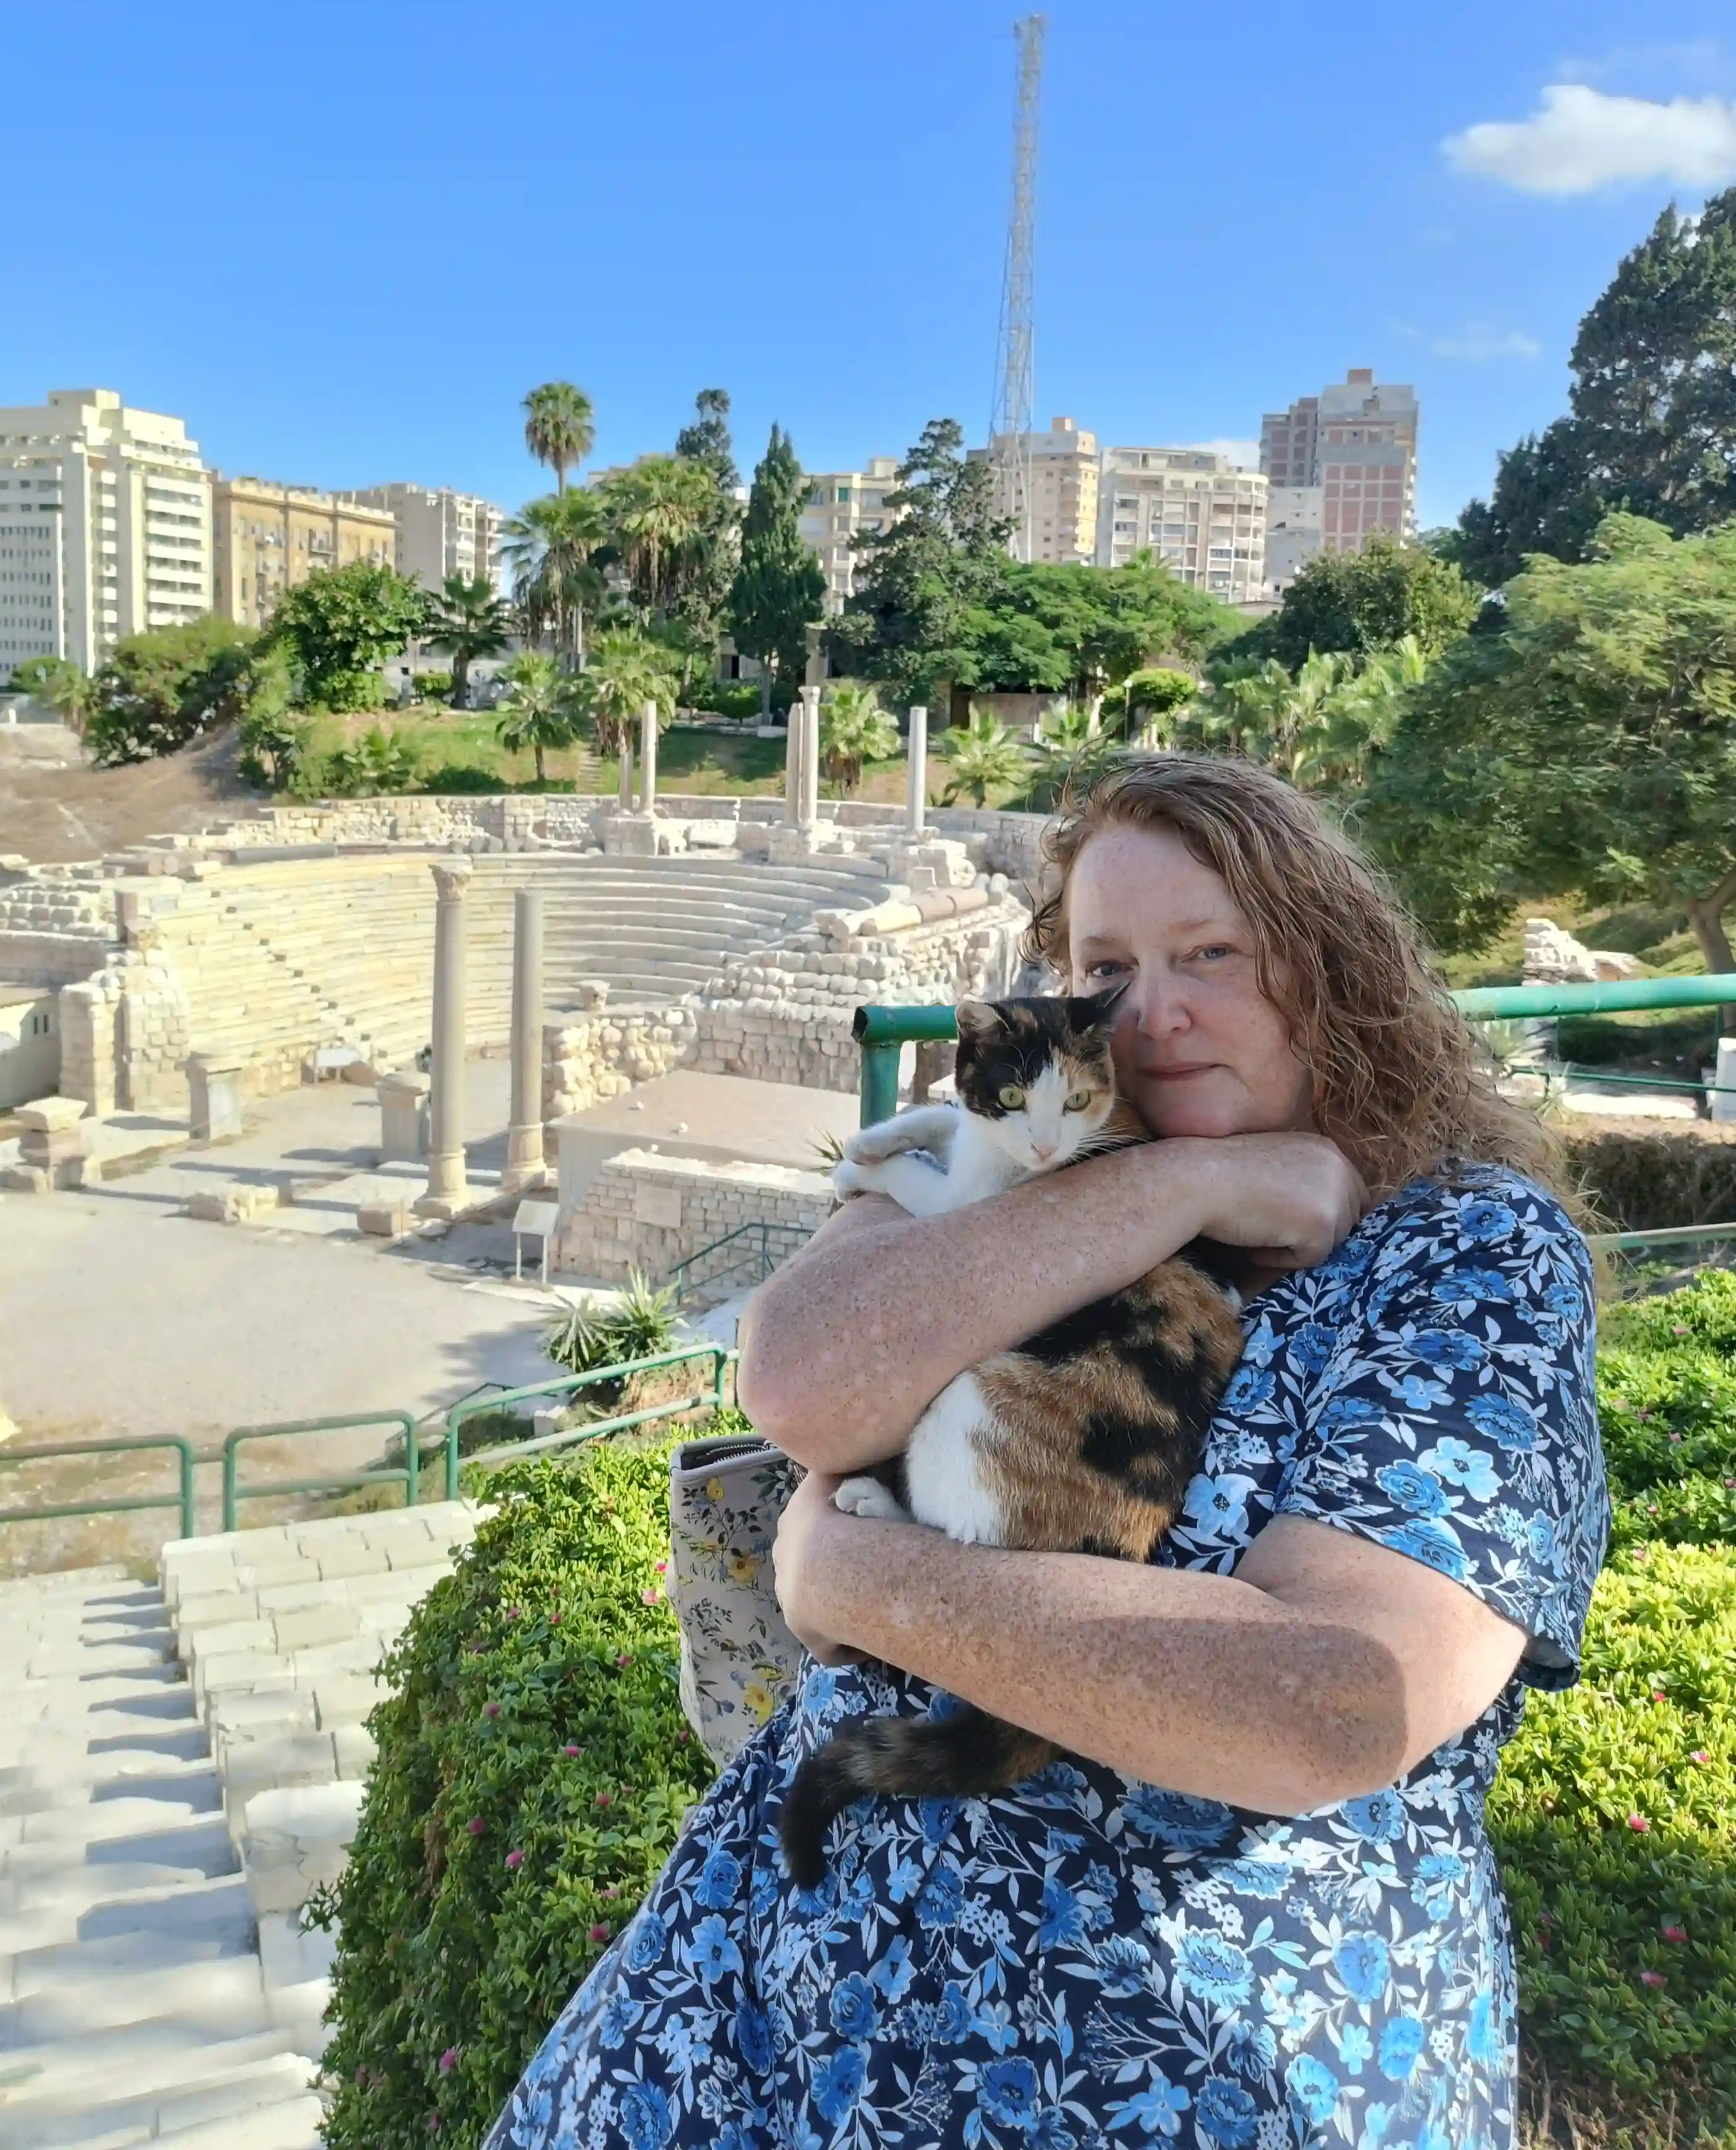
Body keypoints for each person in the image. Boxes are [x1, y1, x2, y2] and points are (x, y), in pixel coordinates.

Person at [484, 756, 1609, 2150]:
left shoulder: (1463, 1252)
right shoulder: (998, 1150)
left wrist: (855, 1581)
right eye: (1109, 963)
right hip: (764, 2012)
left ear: (1333, 971)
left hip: (1186, 2065)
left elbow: (1330, 1701)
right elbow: (801, 1382)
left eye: (1215, 953)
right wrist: (1187, 1178)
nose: (1158, 1011)